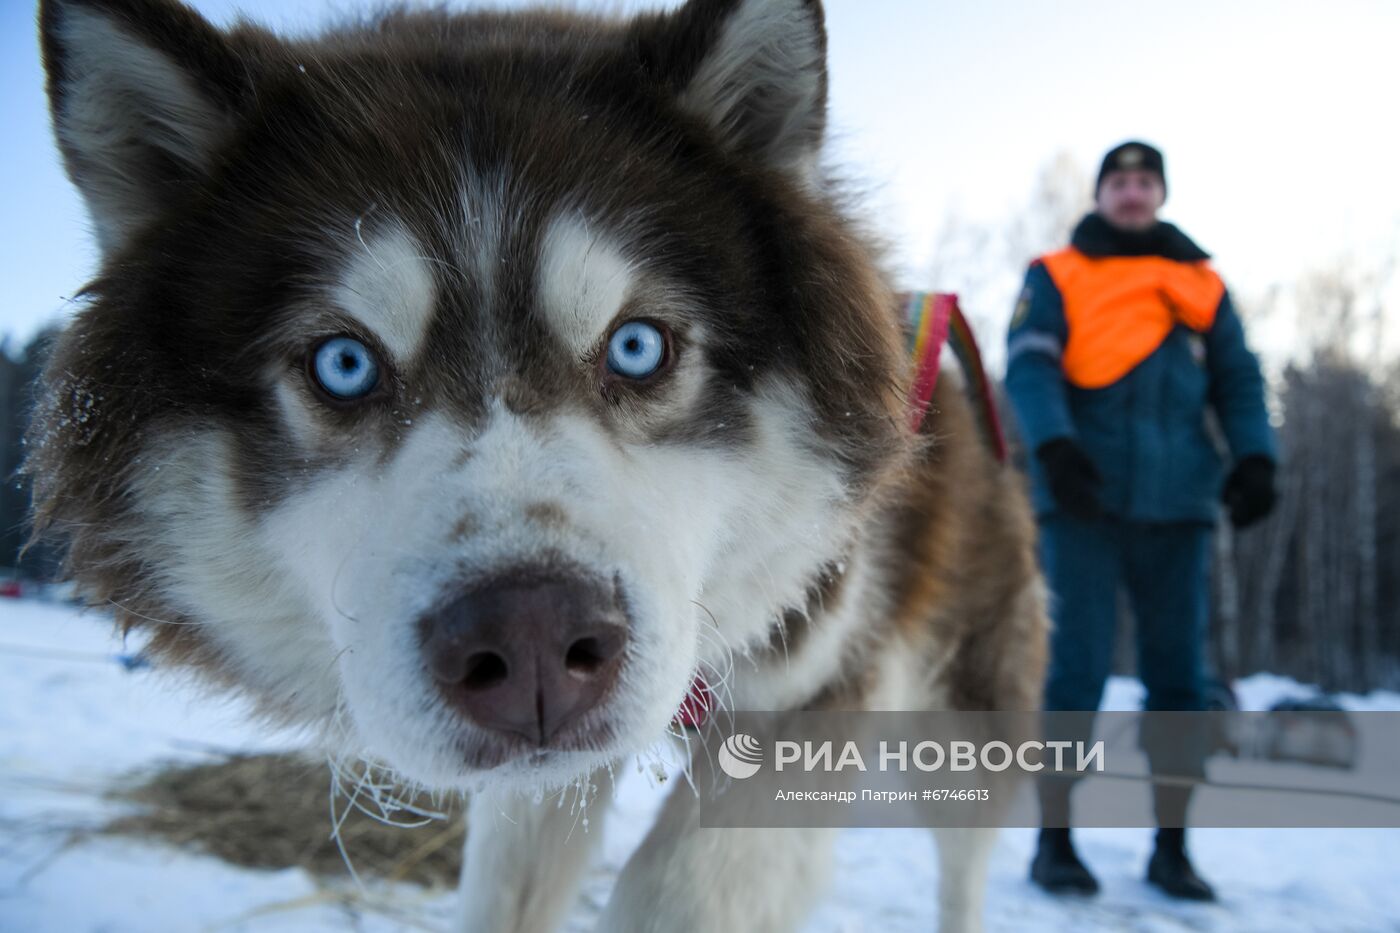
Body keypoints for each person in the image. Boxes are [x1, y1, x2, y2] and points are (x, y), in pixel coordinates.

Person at [1004, 141, 1278, 900]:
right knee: (1076, 674)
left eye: (1143, 181)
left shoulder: (1200, 282)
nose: (1131, 192)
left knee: (1179, 683)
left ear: (1159, 193)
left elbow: (1240, 376)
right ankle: (1053, 843)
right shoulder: (1056, 273)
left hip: (1179, 506)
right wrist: (1055, 448)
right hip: (1083, 502)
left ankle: (1173, 849)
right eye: (1118, 181)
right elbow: (1029, 362)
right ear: (1100, 194)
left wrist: (1257, 458)